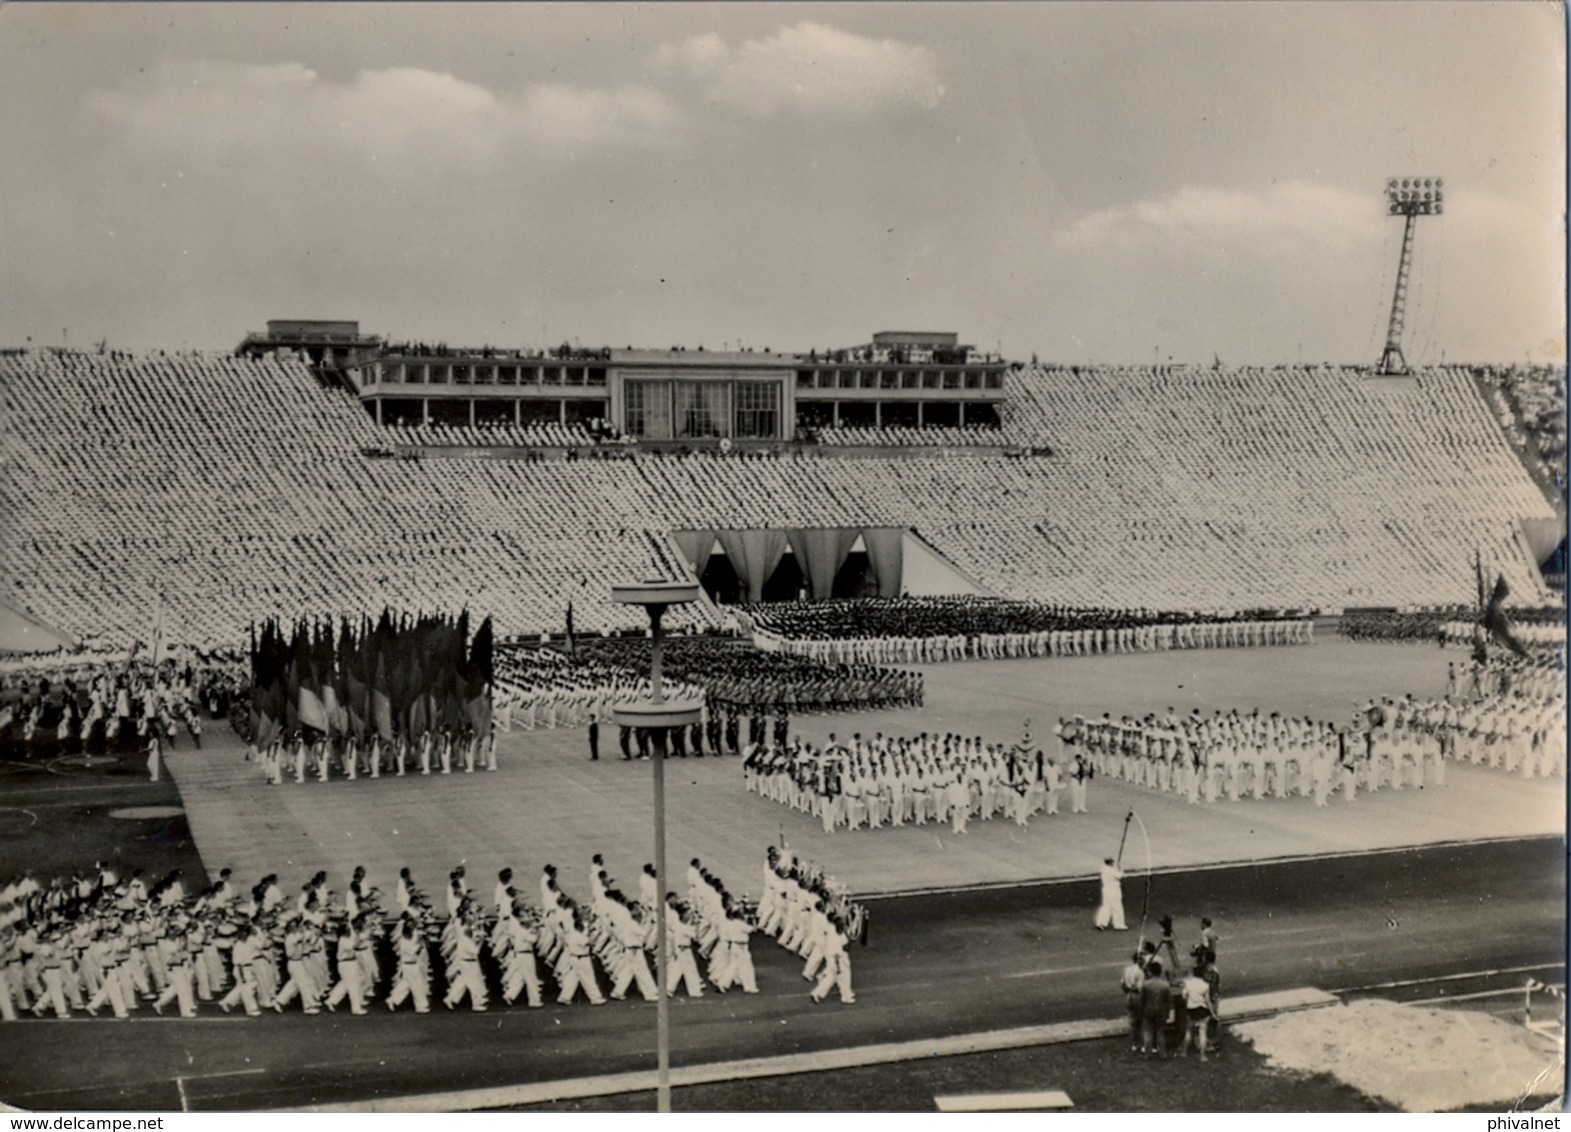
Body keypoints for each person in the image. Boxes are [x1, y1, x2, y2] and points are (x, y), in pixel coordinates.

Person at [1180, 961, 1215, 1060]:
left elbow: (1184, 995)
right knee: (1202, 1033)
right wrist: (1212, 1013)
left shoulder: (1188, 983)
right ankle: (1202, 1055)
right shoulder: (1205, 985)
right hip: (1202, 1009)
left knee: (1189, 1031)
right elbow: (1207, 1000)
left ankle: (1184, 1052)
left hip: (1191, 1008)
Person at [1139, 960, 1172, 1057]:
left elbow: (1142, 1000)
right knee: (1160, 1032)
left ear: (1151, 972)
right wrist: (1169, 1011)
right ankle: (1163, 1053)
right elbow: (1168, 1000)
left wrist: (1141, 1010)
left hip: (1148, 1010)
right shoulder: (1165, 985)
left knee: (1148, 1032)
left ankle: (1147, 1054)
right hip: (1161, 1010)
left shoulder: (1146, 984)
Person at [1120, 950, 1146, 1051]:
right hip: (1137, 997)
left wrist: (1127, 991)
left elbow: (1122, 984)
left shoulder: (1127, 969)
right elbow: (1140, 988)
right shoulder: (1140, 972)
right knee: (1142, 1020)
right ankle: (1143, 1044)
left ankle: (1134, 1044)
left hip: (1128, 996)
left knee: (1132, 1021)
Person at [1094, 857, 1128, 931]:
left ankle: (1101, 923)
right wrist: (1121, 870)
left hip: (1106, 890)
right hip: (1114, 890)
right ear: (1111, 863)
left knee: (1106, 906)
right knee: (1117, 907)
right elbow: (1120, 876)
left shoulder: (1104, 869)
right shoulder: (1111, 870)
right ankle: (1119, 924)